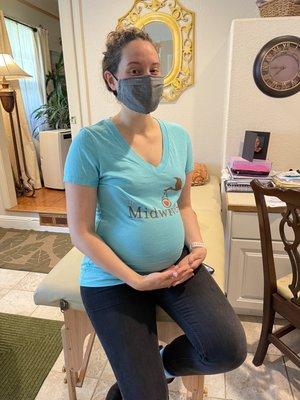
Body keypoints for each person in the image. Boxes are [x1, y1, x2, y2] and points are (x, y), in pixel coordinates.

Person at [63, 27, 247, 400]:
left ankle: (159, 364)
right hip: (112, 280)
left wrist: (197, 245)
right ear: (111, 79)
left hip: (176, 266)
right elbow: (80, 232)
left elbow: (184, 206)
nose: (147, 79)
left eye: (153, 69)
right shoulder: (91, 142)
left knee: (228, 349)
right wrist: (135, 279)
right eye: (134, 70)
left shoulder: (178, 137)